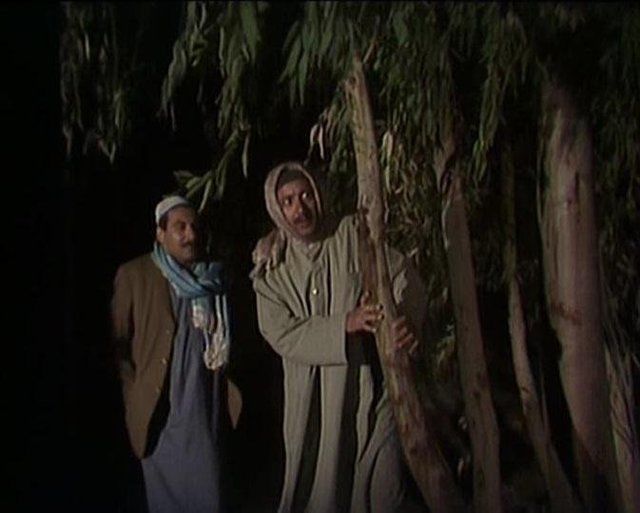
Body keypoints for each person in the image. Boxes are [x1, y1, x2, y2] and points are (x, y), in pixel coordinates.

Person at [251, 161, 427, 513]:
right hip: (315, 404)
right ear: (277, 208)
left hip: (373, 390)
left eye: (305, 196)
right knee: (324, 490)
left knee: (386, 492)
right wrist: (342, 324)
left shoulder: (349, 235)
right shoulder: (272, 268)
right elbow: (280, 332)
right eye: (288, 201)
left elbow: (400, 274)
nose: (300, 209)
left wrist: (404, 319)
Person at [111, 195, 241, 513]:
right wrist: (133, 397)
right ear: (160, 233)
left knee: (210, 495)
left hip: (204, 409)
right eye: (180, 227)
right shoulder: (135, 274)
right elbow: (119, 346)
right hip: (160, 415)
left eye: (194, 227)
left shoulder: (215, 276)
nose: (190, 235)